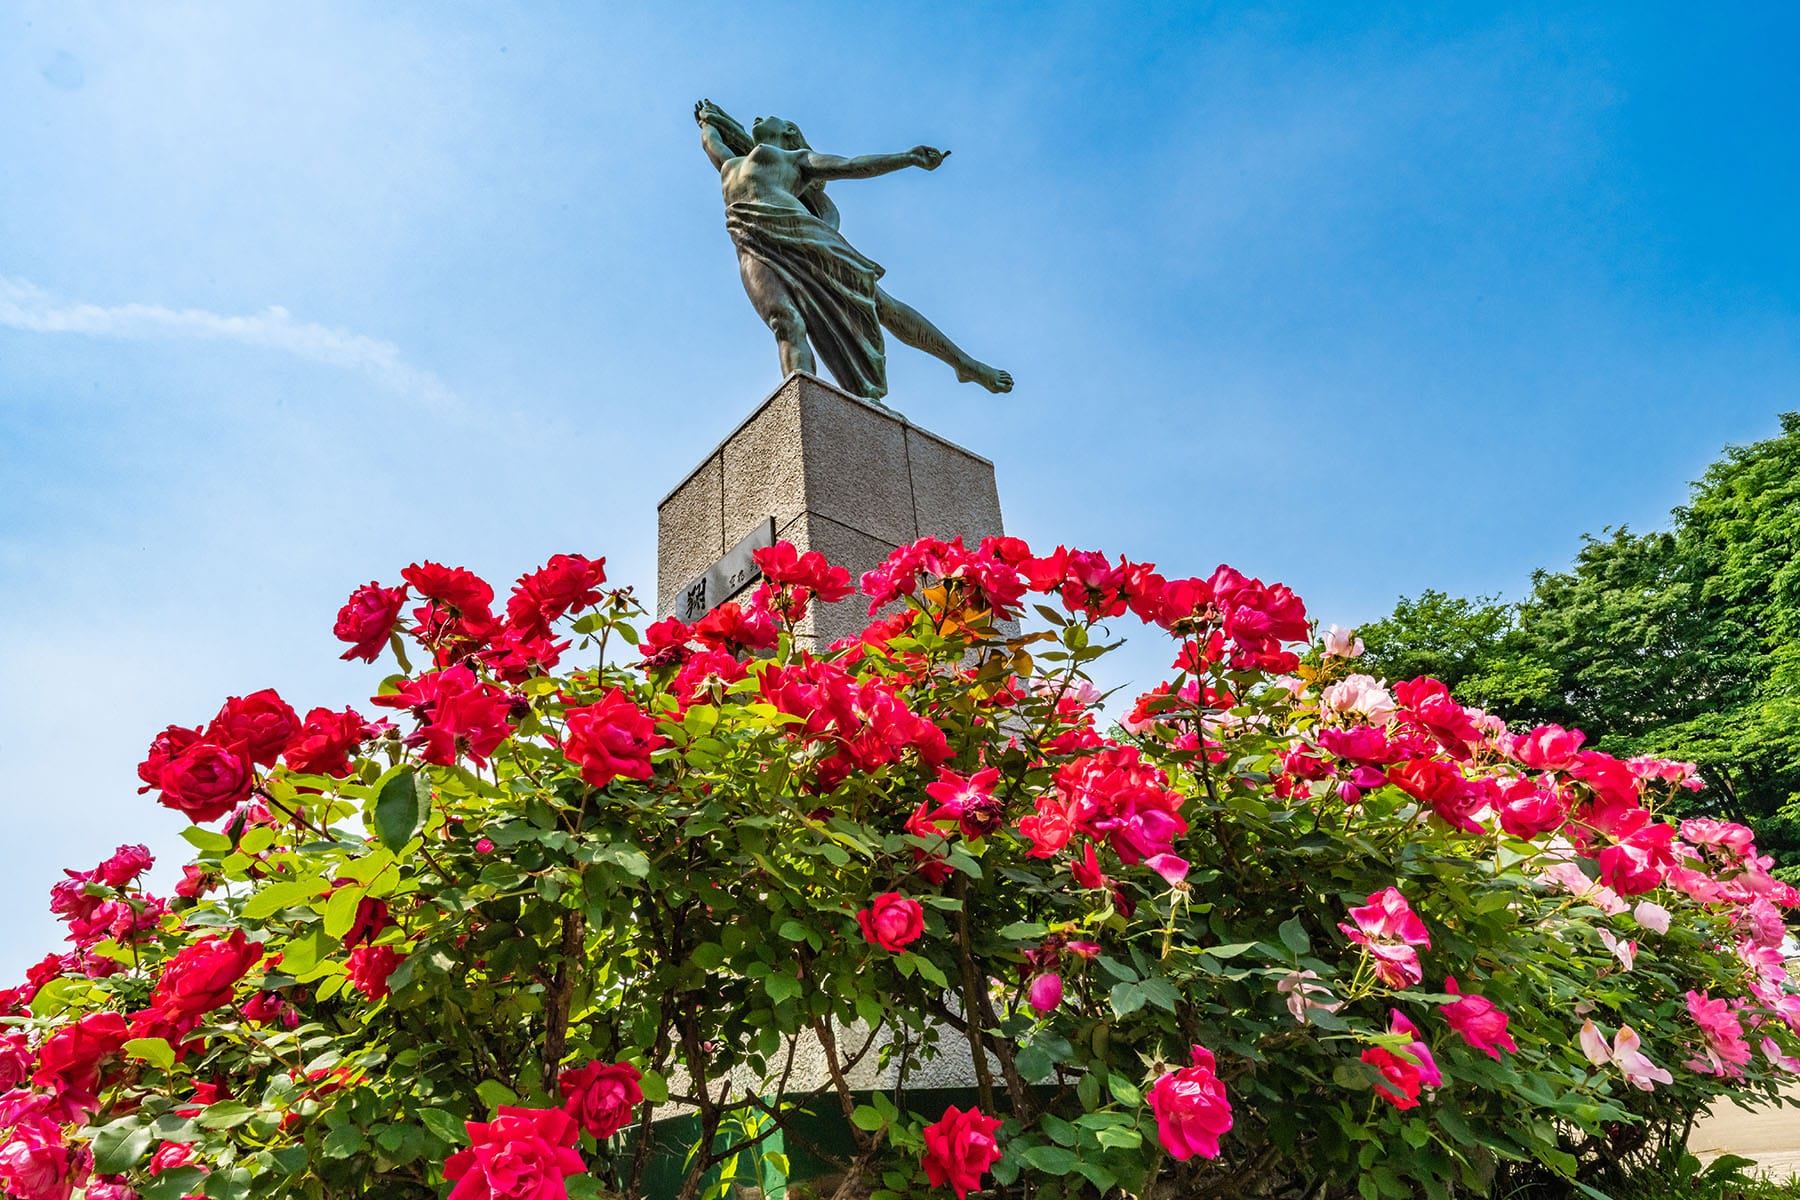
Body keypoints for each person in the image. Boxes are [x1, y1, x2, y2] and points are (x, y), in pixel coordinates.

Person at [695, 100, 1013, 401]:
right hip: (751, 243)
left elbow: (852, 165)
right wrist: (707, 122)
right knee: (784, 321)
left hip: (804, 234)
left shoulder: (797, 160)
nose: (757, 119)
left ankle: (966, 365)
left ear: (789, 132)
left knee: (879, 303)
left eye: (768, 117)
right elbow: (714, 144)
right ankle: (801, 405)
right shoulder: (731, 164)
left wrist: (908, 157)